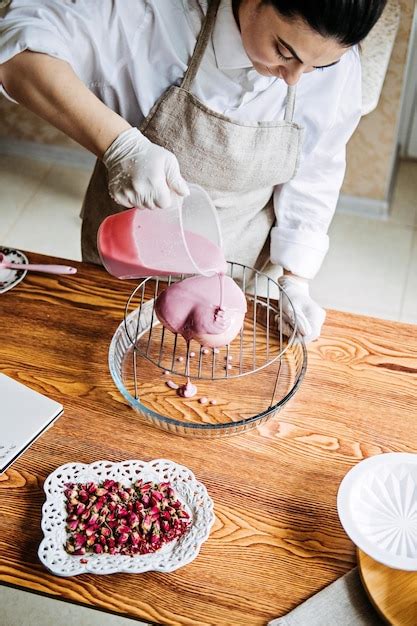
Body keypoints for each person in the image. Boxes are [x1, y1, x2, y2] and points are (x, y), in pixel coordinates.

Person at [0, 0, 386, 342]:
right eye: (283, 50)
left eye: (320, 66)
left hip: (239, 265)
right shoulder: (157, 16)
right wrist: (121, 146)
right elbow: (16, 52)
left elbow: (317, 169)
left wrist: (296, 279)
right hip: (125, 263)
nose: (293, 78)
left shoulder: (333, 67)